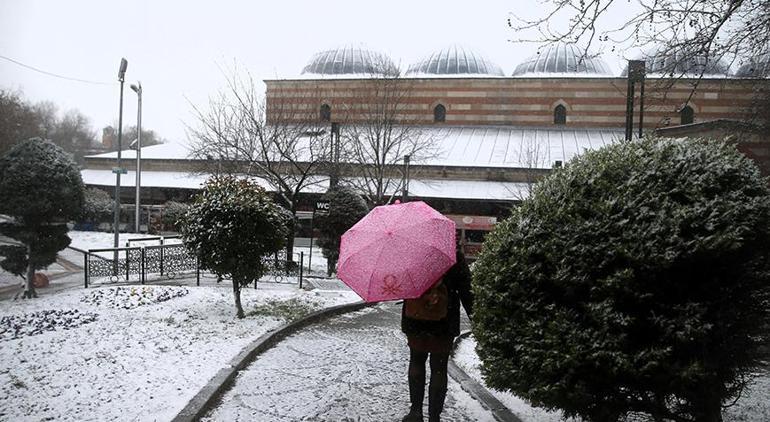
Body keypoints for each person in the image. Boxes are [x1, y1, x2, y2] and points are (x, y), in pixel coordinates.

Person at [401, 247, 473, 422]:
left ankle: (416, 411)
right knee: (439, 368)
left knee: (416, 360)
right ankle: (434, 417)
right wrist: (474, 315)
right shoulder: (453, 254)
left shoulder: (411, 253)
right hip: (444, 320)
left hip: (416, 317)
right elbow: (466, 288)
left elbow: (402, 282)